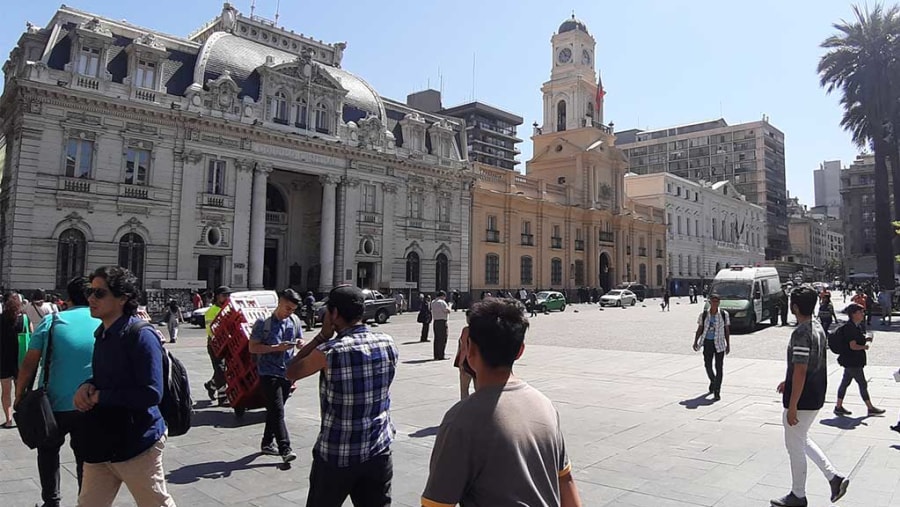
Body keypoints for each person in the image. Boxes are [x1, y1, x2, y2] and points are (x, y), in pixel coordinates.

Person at [421, 298, 582, 507]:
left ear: (468, 349)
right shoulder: (545, 406)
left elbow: (437, 504)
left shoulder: (461, 421)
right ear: (520, 351)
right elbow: (566, 482)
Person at [73, 265, 176, 507]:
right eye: (90, 291)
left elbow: (151, 392)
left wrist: (100, 397)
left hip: (137, 443)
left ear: (122, 298)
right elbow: (106, 377)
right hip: (102, 442)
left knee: (155, 503)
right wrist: (87, 386)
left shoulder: (141, 335)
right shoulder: (103, 333)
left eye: (100, 293)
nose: (90, 298)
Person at [286, 285, 398, 507]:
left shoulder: (329, 352)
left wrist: (321, 336)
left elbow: (291, 371)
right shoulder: (388, 342)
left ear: (334, 314)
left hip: (337, 454)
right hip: (378, 449)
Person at [15, 276, 99, 507]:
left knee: (48, 452)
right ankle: (85, 500)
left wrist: (20, 394)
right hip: (91, 404)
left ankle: (51, 501)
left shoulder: (53, 320)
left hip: (52, 405)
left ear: (68, 297)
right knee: (86, 458)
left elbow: (29, 363)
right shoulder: (102, 321)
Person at [771, 286, 848, 507]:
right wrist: (789, 380)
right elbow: (806, 364)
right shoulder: (817, 327)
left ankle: (798, 495)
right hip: (815, 393)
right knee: (800, 438)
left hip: (803, 398)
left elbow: (802, 369)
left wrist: (793, 404)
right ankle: (834, 478)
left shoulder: (801, 332)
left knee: (794, 445)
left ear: (794, 307)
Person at [248, 289, 303, 463]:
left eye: (293, 310)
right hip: (268, 372)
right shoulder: (263, 323)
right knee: (278, 410)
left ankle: (266, 442)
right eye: (287, 308)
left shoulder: (294, 321)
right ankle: (285, 448)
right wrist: (275, 348)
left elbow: (300, 339)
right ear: (279, 302)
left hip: (287, 371)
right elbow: (253, 348)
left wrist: (300, 343)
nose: (290, 312)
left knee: (274, 410)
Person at [833, 303, 886, 417]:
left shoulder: (856, 326)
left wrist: (866, 338)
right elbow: (853, 346)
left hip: (851, 361)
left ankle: (838, 406)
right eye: (860, 312)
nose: (863, 314)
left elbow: (856, 340)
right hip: (853, 361)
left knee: (845, 382)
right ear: (853, 314)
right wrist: (864, 347)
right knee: (862, 383)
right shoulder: (850, 328)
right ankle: (870, 408)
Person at [692, 294, 730, 401]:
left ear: (719, 302)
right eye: (713, 301)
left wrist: (728, 344)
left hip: (719, 344)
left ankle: (717, 391)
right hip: (707, 343)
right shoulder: (704, 315)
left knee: (719, 367)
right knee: (707, 365)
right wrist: (696, 341)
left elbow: (727, 330)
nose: (715, 303)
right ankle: (713, 381)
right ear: (710, 302)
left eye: (717, 301)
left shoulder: (723, 314)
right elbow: (700, 328)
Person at [0, 291, 25, 427]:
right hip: (20, 360)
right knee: (20, 391)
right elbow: (31, 338)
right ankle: (21, 418)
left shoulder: (1, 319)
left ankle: (9, 419)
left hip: (3, 359)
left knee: (6, 392)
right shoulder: (24, 320)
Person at [203, 285, 230, 405]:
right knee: (220, 368)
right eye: (224, 295)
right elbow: (211, 330)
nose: (227, 297)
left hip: (228, 344)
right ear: (218, 296)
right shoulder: (211, 311)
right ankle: (222, 396)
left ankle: (211, 385)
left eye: (228, 295)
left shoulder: (229, 309)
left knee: (224, 369)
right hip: (215, 344)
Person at [454, 320, 474, 400]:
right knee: (479, 389)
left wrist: (461, 363)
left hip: (467, 360)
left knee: (464, 389)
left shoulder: (466, 330)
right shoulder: (483, 330)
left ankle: (465, 408)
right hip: (479, 362)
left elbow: (464, 348)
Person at [431, 291, 451, 360]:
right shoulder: (442, 302)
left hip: (435, 321)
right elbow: (447, 311)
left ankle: (436, 355)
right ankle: (441, 355)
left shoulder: (433, 302)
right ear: (442, 296)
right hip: (442, 321)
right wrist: (450, 306)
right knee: (443, 339)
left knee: (437, 339)